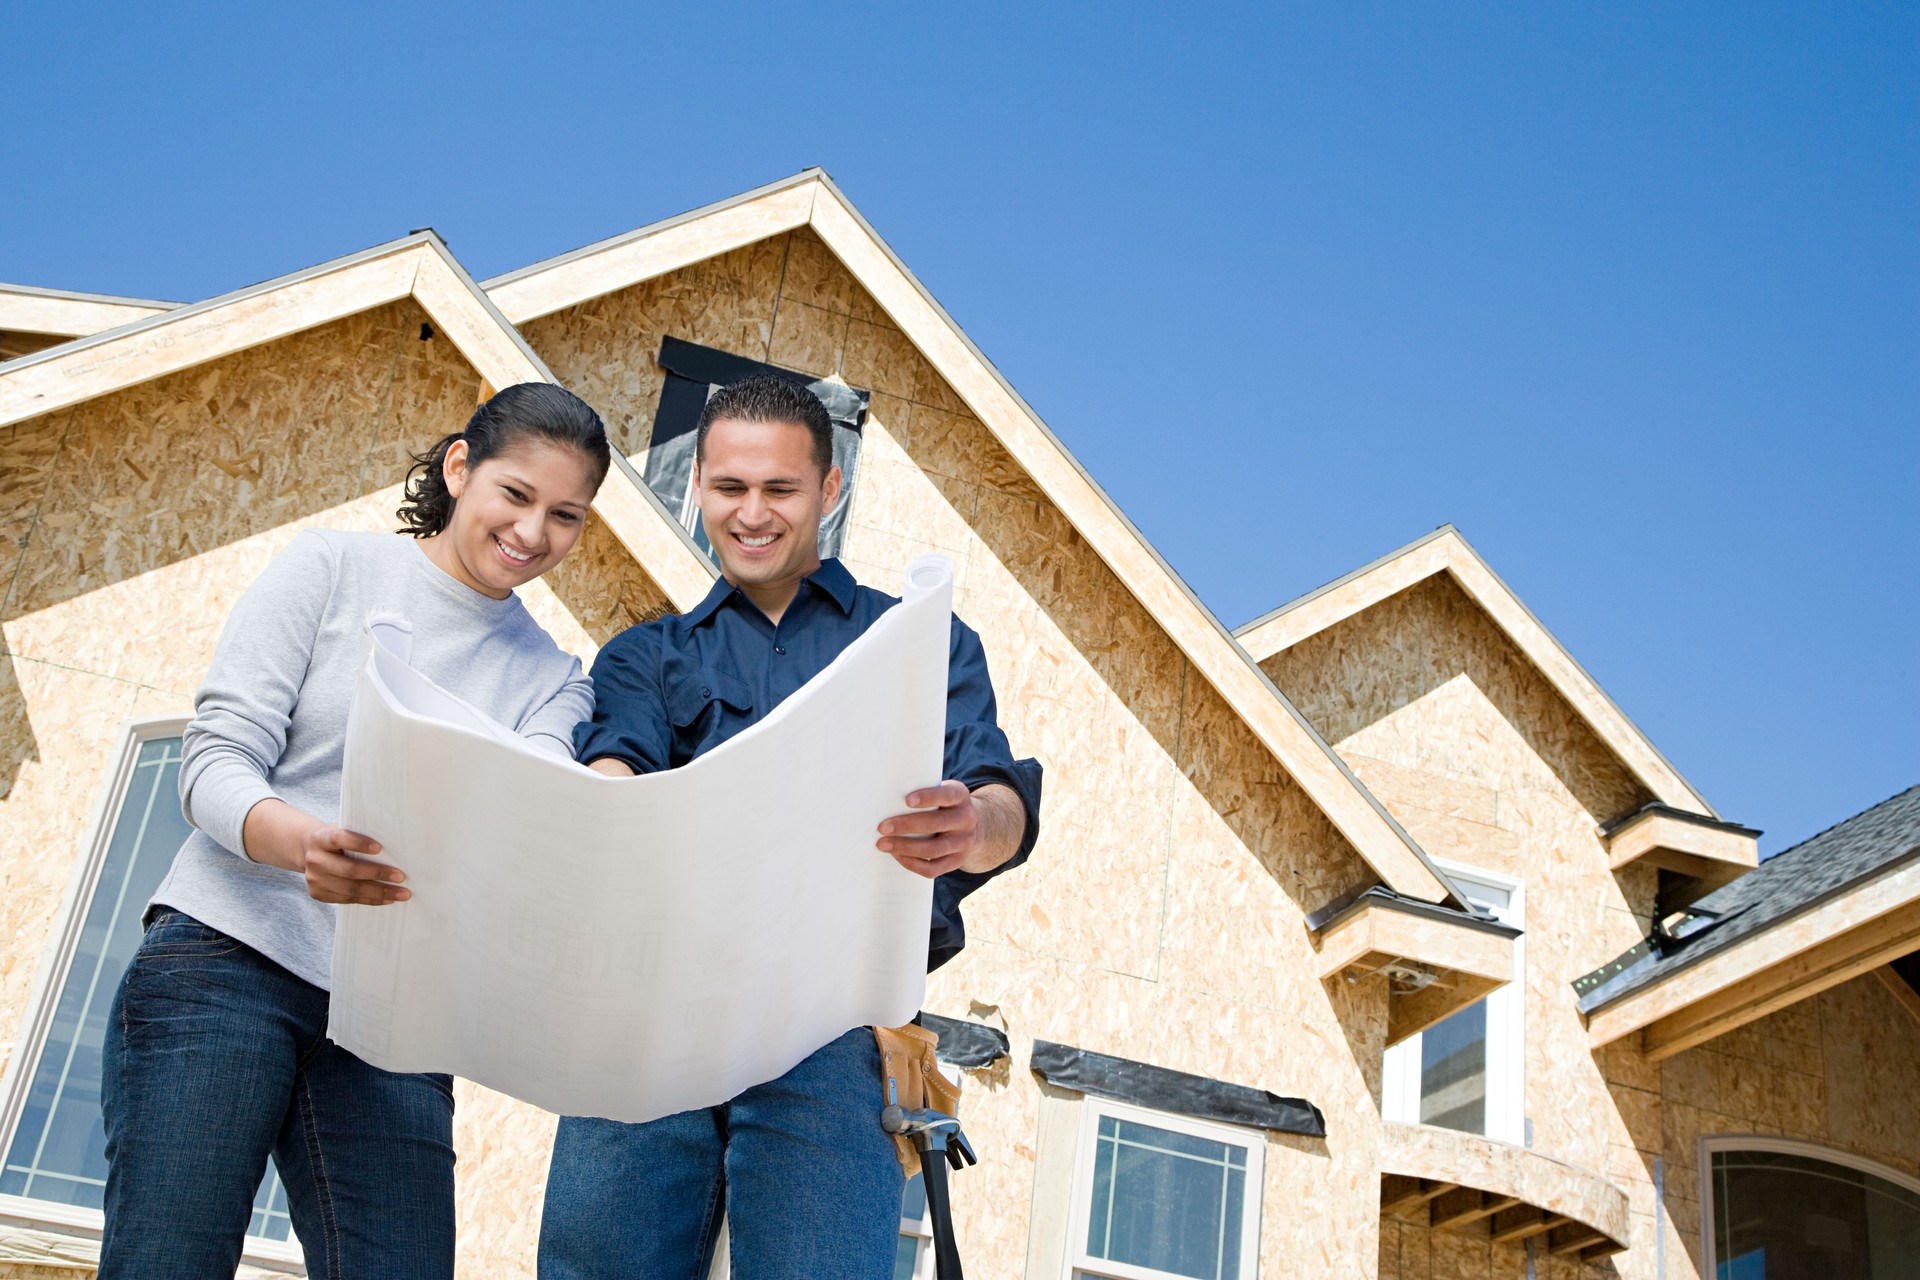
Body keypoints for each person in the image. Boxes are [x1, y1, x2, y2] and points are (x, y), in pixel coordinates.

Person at [99, 383, 612, 1280]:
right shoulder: (330, 569)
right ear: (461, 469)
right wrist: (304, 847)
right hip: (228, 959)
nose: (534, 534)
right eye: (516, 495)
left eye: (565, 516)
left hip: (392, 1018)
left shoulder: (555, 679)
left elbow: (523, 809)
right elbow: (214, 763)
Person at [538, 374, 1043, 1280]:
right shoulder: (646, 655)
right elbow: (616, 767)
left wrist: (976, 826)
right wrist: (601, 799)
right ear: (697, 486)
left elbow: (1000, 795)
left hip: (837, 1022)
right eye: (729, 488)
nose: (752, 514)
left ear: (830, 489)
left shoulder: (921, 644)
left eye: (780, 489)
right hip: (652, 1009)